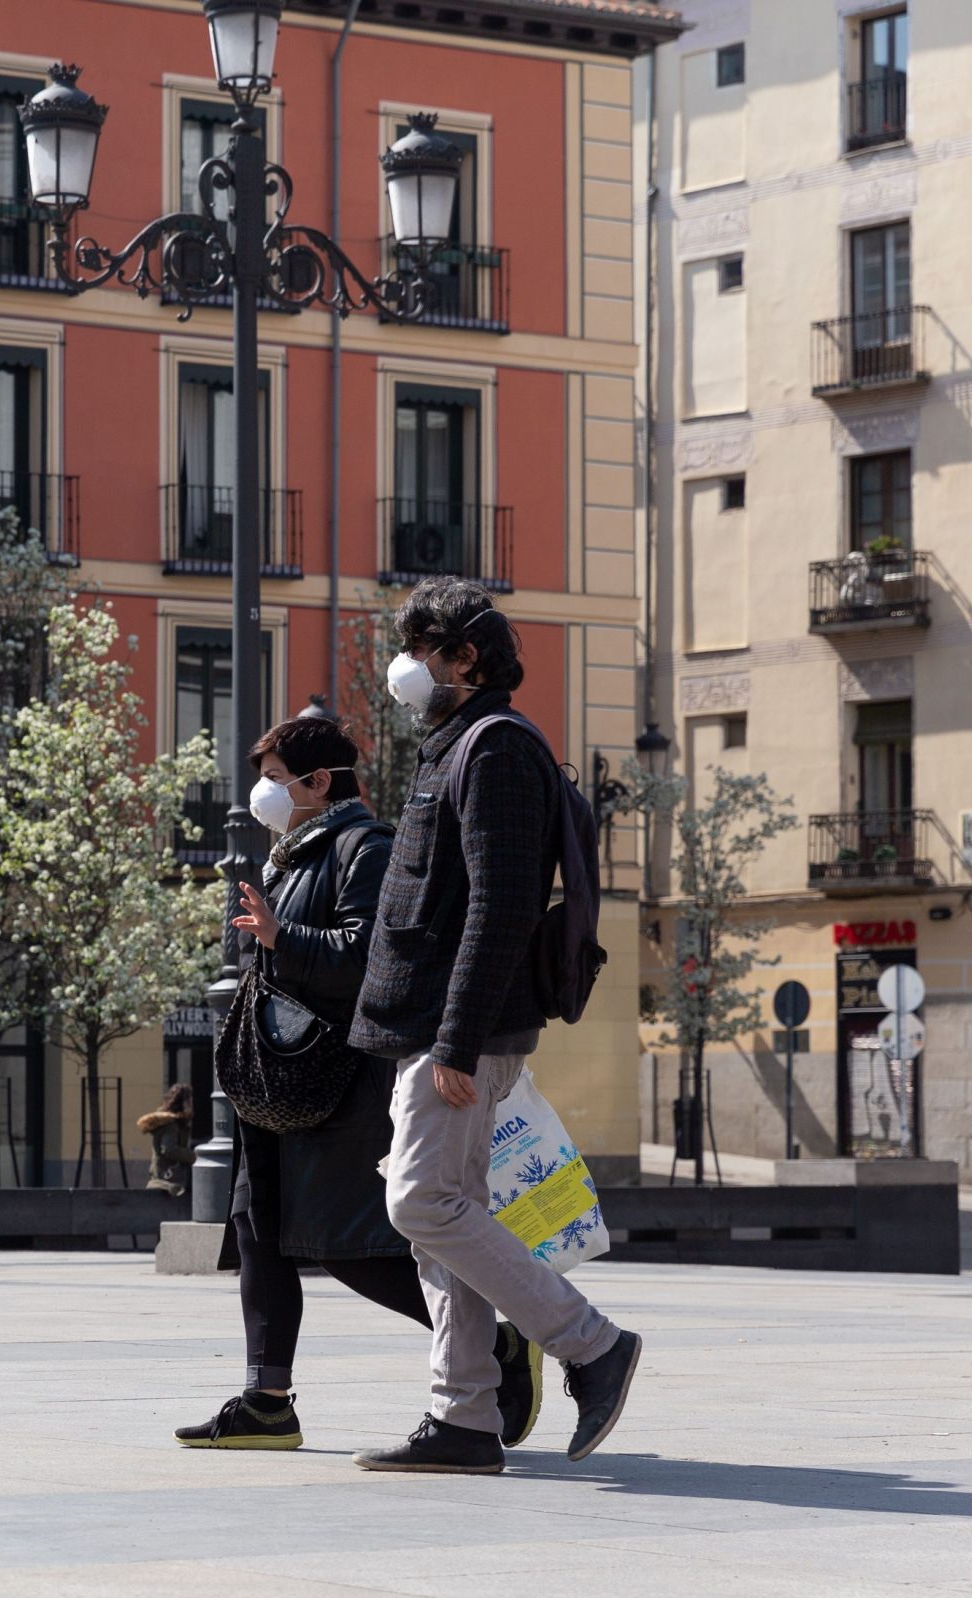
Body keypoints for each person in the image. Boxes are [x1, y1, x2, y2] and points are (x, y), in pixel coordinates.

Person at [176, 716, 538, 1452]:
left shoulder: (361, 848)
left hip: (339, 1078)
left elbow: (371, 955)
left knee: (349, 1243)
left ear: (319, 782)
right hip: (279, 1077)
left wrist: (285, 939)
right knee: (258, 1231)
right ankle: (266, 1397)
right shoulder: (291, 852)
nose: (266, 791)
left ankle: (494, 1341)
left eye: (277, 777)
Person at [348, 578, 640, 1474]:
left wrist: (459, 1037)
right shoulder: (455, 744)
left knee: (421, 1200)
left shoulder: (498, 748)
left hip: (459, 1030)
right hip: (432, 1026)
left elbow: (503, 903)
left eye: (422, 649)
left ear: (465, 659)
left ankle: (589, 1343)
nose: (407, 666)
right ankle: (466, 1417)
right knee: (446, 1213)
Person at [139, 1085, 196, 1195]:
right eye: (190, 1101)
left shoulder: (175, 1124)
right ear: (183, 1103)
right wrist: (194, 1156)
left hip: (166, 1180)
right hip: (167, 1182)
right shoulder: (171, 1125)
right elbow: (169, 1149)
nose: (192, 1106)